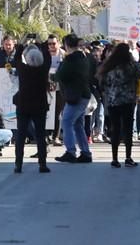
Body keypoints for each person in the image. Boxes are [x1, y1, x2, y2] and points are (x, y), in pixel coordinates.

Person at [99, 43, 140, 167]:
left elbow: (103, 82)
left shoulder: (109, 66)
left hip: (113, 101)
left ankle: (114, 158)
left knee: (115, 129)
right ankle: (128, 157)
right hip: (128, 100)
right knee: (128, 129)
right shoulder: (131, 65)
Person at [13, 41, 52, 173]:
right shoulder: (43, 70)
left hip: (23, 105)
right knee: (40, 135)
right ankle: (42, 164)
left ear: (28, 59)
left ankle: (18, 164)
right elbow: (48, 58)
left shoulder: (23, 70)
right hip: (39, 105)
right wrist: (43, 46)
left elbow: (16, 59)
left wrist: (21, 46)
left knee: (21, 135)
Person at [53, 34, 93, 163]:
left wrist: (53, 76)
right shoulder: (84, 57)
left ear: (66, 45)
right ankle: (85, 153)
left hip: (75, 95)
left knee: (67, 122)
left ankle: (70, 151)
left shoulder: (71, 59)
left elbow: (62, 75)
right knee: (77, 124)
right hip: (83, 94)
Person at [47, 35, 66, 146]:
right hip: (47, 87)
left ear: (58, 43)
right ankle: (47, 135)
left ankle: (56, 137)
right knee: (47, 112)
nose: (51, 46)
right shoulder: (45, 55)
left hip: (60, 87)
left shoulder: (64, 55)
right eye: (49, 44)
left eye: (53, 43)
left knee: (58, 113)